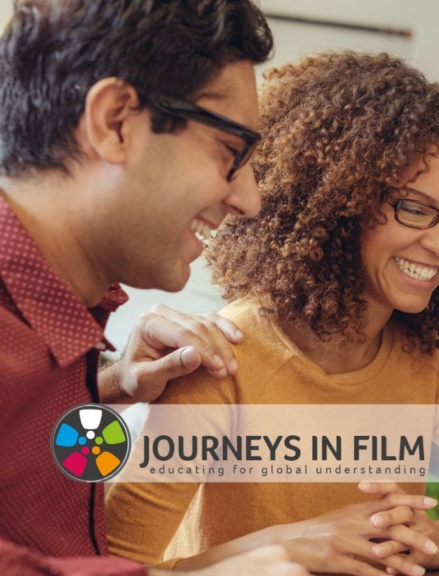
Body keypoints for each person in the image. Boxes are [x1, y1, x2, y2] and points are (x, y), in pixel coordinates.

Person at [105, 51, 439, 576]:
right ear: (342, 200)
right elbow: (112, 566)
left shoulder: (430, 359)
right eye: (415, 208)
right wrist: (282, 549)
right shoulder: (223, 357)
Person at [0, 1, 312, 575]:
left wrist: (108, 382)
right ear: (116, 121)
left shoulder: (64, 322)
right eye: (231, 152)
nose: (249, 200)